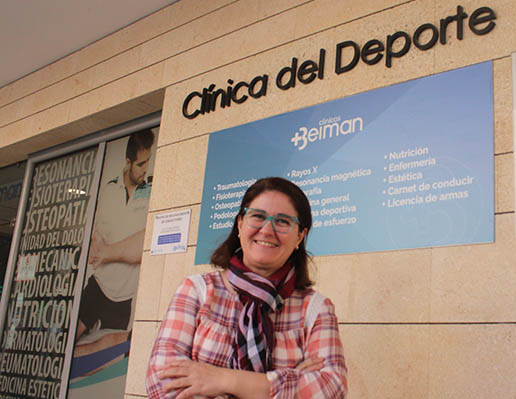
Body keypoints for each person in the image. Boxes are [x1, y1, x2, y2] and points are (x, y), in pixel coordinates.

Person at [146, 177, 347, 399]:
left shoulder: (316, 309)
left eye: (282, 221)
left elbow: (332, 390)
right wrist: (287, 383)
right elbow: (161, 384)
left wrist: (222, 379)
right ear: (240, 224)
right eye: (258, 216)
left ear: (300, 236)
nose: (267, 230)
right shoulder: (196, 291)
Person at [75, 128, 155, 357]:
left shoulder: (151, 191)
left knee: (105, 361)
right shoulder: (108, 191)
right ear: (128, 162)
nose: (145, 169)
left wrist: (108, 252)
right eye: (140, 164)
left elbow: (143, 243)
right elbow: (94, 237)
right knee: (67, 347)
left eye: (148, 162)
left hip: (123, 300)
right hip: (97, 287)